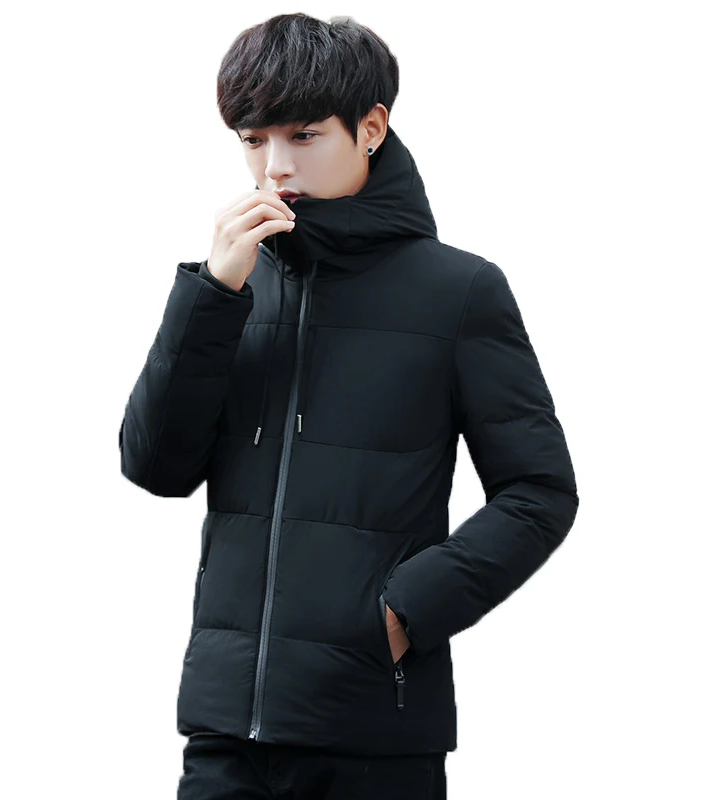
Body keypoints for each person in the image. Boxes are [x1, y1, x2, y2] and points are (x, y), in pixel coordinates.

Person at [118, 12, 579, 800]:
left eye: (303, 136)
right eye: (253, 140)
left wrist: (402, 614)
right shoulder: (233, 286)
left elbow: (540, 493)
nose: (276, 168)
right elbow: (156, 467)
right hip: (225, 738)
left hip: (372, 736)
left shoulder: (460, 291)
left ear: (370, 129)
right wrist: (210, 297)